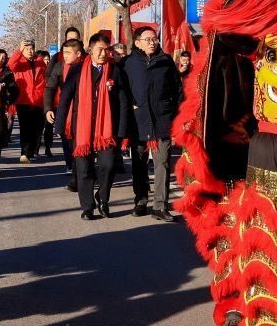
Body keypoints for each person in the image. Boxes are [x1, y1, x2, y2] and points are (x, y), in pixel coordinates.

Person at [56, 34, 131, 219]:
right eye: (100, 49)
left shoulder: (115, 71)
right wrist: (59, 124)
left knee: (109, 164)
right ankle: (87, 207)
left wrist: (122, 130)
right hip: (81, 128)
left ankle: (103, 198)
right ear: (90, 50)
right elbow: (65, 98)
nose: (104, 53)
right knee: (84, 169)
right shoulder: (77, 69)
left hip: (107, 129)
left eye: (107, 49)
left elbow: (123, 102)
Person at [125, 25, 182, 221]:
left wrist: (175, 114)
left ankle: (160, 206)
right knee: (139, 163)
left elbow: (178, 90)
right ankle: (141, 200)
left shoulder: (166, 61)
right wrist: (130, 105)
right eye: (148, 39)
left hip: (162, 120)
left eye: (154, 39)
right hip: (138, 121)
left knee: (162, 163)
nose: (152, 42)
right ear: (137, 42)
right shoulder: (129, 63)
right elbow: (122, 92)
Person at [45, 38, 84, 192]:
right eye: (64, 52)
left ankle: (82, 175)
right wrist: (48, 108)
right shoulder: (60, 67)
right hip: (67, 112)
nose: (65, 56)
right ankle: (76, 176)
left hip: (85, 111)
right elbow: (50, 88)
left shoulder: (88, 66)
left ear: (79, 53)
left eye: (68, 53)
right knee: (71, 145)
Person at [8, 39, 47, 163]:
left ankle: (32, 150)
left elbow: (46, 77)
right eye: (27, 49)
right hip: (23, 100)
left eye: (31, 48)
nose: (30, 51)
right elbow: (11, 64)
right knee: (25, 127)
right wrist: (19, 51)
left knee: (37, 128)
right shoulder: (19, 63)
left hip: (38, 99)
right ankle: (24, 153)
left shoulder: (40, 62)